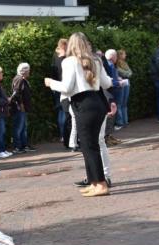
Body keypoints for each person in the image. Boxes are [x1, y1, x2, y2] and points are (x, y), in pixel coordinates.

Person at [45, 32, 112, 197]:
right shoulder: (96, 60)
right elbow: (107, 83)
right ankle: (94, 182)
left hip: (83, 104)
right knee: (90, 145)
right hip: (97, 102)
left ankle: (101, 184)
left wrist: (50, 83)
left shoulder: (70, 62)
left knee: (89, 146)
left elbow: (67, 88)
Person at [11, 62, 36, 154]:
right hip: (19, 108)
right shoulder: (19, 79)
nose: (29, 72)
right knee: (19, 127)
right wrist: (21, 104)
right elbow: (16, 93)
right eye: (28, 70)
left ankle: (24, 145)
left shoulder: (21, 79)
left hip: (22, 108)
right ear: (24, 71)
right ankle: (18, 147)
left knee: (23, 127)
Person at [50, 38, 69, 144]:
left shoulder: (54, 55)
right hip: (63, 85)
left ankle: (62, 135)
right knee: (65, 111)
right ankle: (65, 134)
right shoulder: (65, 57)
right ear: (64, 45)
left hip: (56, 86)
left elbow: (52, 70)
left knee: (60, 111)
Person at [116, 49, 132, 126]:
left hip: (126, 83)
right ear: (120, 55)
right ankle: (121, 121)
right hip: (121, 83)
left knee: (124, 103)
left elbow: (130, 73)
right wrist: (127, 73)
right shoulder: (116, 64)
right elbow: (125, 73)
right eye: (124, 54)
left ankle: (124, 121)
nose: (125, 55)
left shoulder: (125, 63)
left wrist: (126, 73)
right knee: (120, 103)